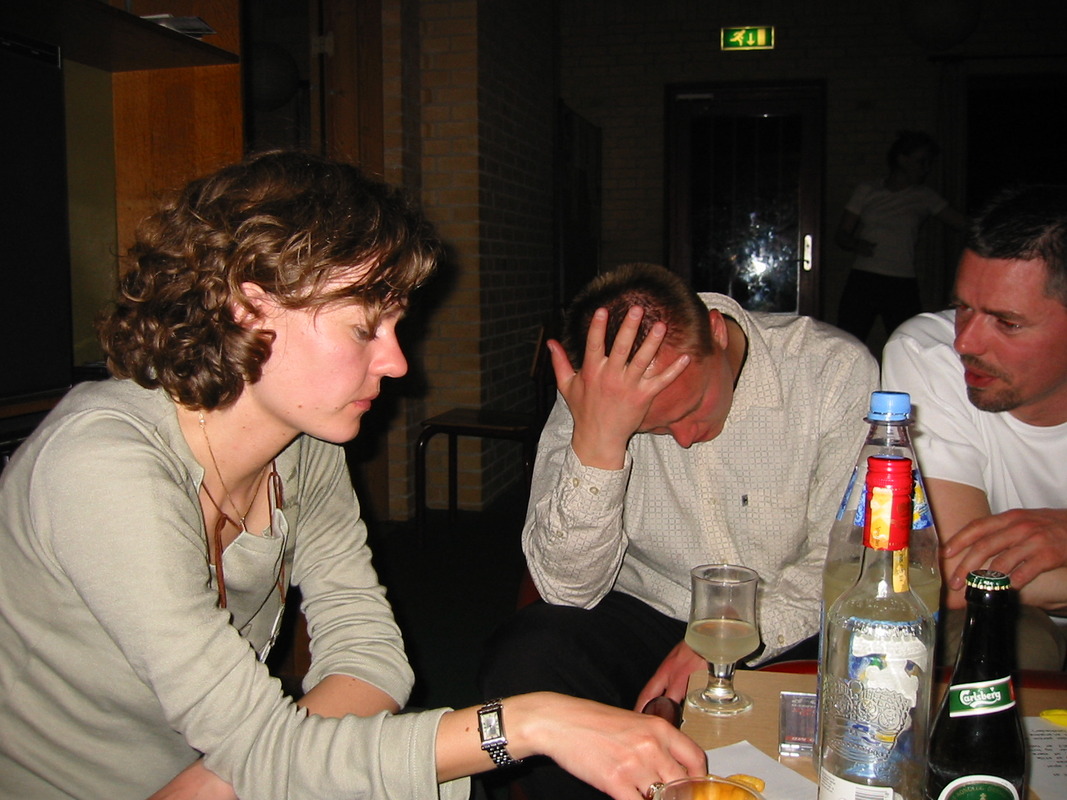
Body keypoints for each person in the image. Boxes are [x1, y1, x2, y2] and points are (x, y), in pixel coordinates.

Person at [0, 152, 708, 800]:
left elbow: (371, 657)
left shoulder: (302, 444)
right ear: (249, 307)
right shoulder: (101, 466)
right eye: (365, 328)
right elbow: (270, 749)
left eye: (395, 325)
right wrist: (530, 722)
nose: (397, 363)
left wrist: (267, 767)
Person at [479, 263, 878, 800]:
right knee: (525, 658)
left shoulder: (831, 371)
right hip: (650, 607)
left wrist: (728, 632)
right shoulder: (595, 390)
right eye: (656, 428)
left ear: (715, 331)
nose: (686, 438)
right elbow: (567, 589)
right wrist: (600, 443)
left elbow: (848, 559)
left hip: (787, 616)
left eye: (692, 407)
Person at [882, 183, 1067, 671]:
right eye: (963, 307)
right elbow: (952, 576)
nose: (965, 342)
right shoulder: (929, 354)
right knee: (1009, 646)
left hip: (1025, 594)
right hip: (1019, 616)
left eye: (1007, 322)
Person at [836, 130, 967, 347]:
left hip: (901, 280)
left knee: (909, 342)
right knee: (848, 340)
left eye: (928, 163)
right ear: (902, 159)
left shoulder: (924, 196)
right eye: (921, 161)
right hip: (866, 277)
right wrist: (855, 244)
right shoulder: (868, 190)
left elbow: (962, 224)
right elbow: (841, 235)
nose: (925, 168)